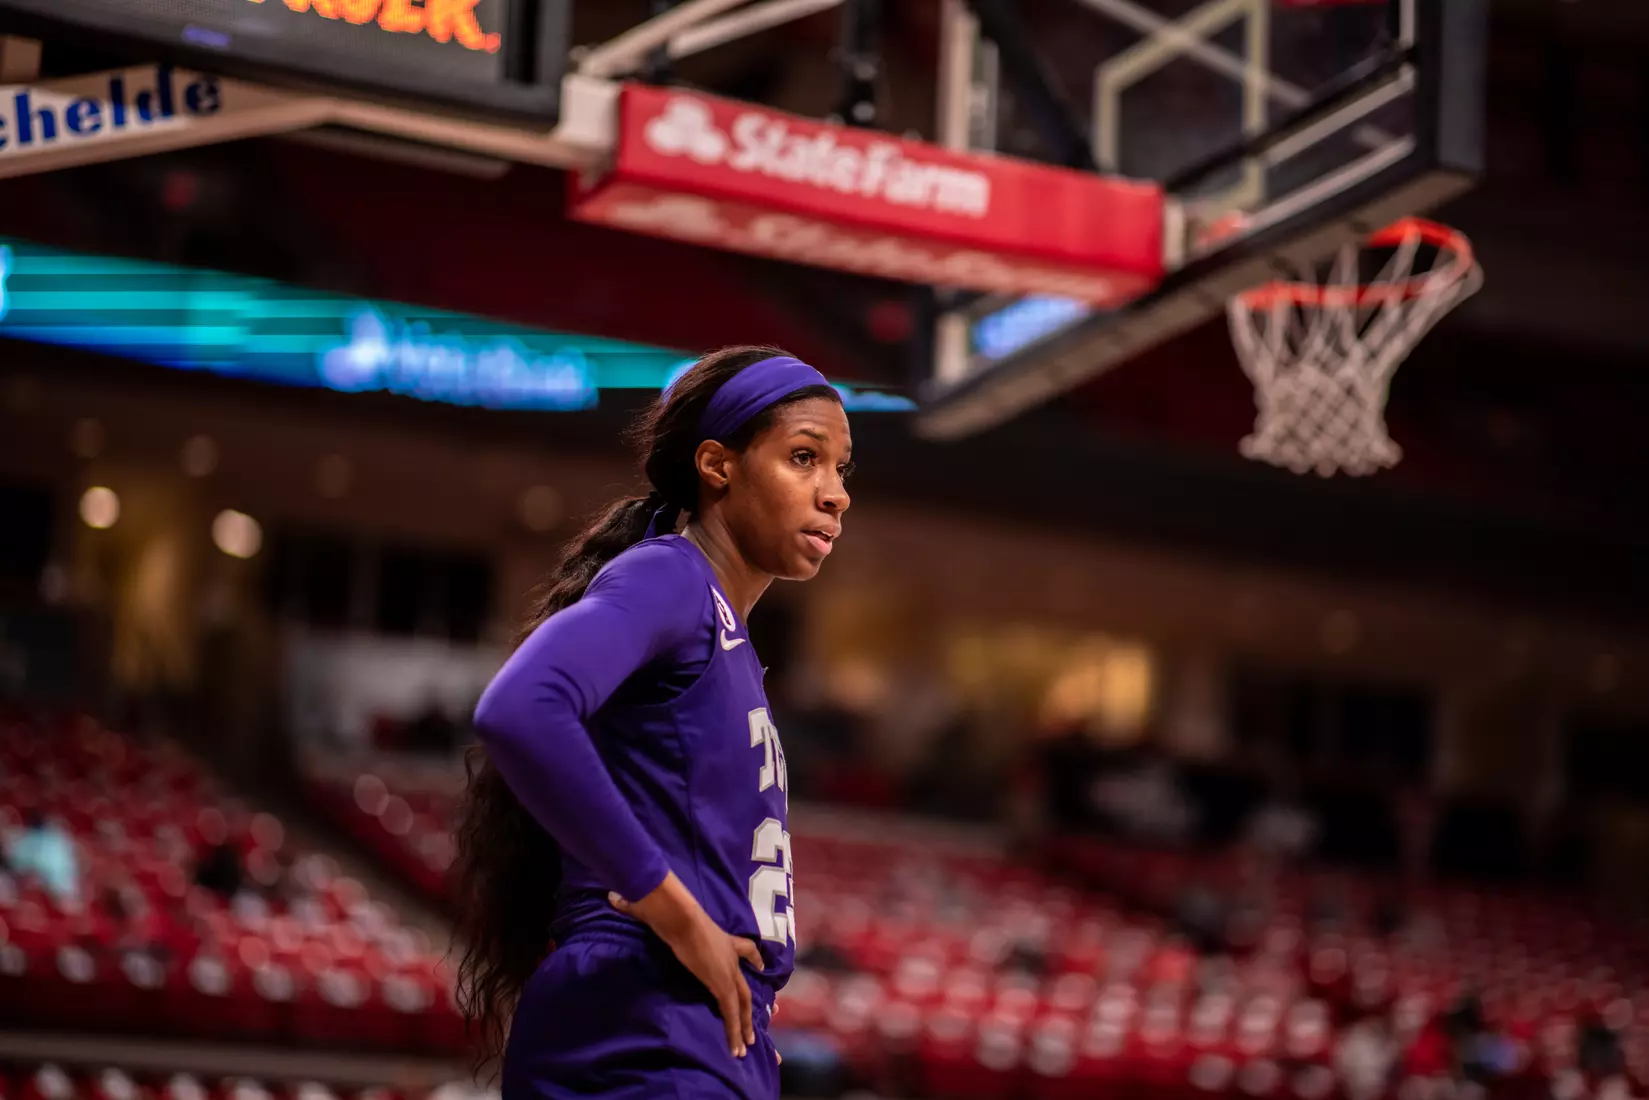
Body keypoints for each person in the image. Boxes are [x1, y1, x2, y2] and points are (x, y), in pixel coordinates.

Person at [453, 346, 852, 1100]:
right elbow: (520, 708)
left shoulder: (724, 631)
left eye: (841, 469)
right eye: (804, 458)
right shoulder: (670, 576)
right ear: (716, 466)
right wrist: (674, 910)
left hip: (698, 1025)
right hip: (645, 1016)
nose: (834, 494)